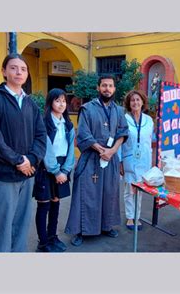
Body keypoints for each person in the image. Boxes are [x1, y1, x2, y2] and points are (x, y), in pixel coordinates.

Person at [0, 53, 47, 252]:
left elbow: (41, 135)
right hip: (3, 175)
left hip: (27, 174)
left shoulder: (30, 103)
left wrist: (32, 159)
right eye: (13, 68)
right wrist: (18, 160)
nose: (19, 72)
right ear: (3, 71)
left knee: (21, 225)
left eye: (23, 69)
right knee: (2, 226)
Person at [65, 75, 129, 246]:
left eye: (110, 86)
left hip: (111, 159)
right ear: (98, 88)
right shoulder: (87, 108)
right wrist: (101, 150)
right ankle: (80, 231)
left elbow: (123, 132)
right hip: (91, 158)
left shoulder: (119, 111)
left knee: (109, 193)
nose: (107, 89)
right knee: (85, 195)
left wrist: (112, 151)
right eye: (104, 85)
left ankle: (106, 226)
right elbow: (83, 134)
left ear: (114, 89)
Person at [32, 88, 75, 252]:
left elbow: (71, 150)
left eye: (64, 100)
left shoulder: (68, 124)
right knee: (44, 205)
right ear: (50, 103)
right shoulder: (44, 123)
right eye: (57, 100)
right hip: (46, 168)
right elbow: (46, 149)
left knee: (56, 204)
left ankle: (52, 237)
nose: (61, 104)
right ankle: (43, 242)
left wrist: (65, 170)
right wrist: (56, 171)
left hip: (63, 168)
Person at [120, 90, 154, 230]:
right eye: (132, 100)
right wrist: (120, 161)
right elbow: (120, 141)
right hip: (129, 159)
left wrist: (151, 160)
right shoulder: (124, 119)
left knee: (140, 189)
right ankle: (129, 217)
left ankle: (137, 216)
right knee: (129, 188)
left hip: (144, 159)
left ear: (142, 102)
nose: (135, 102)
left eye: (138, 100)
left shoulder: (149, 120)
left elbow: (149, 141)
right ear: (129, 103)